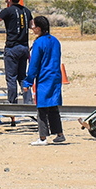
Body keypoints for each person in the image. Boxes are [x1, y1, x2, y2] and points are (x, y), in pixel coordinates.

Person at [24, 14, 66, 145]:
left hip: (44, 77)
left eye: (33, 26)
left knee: (42, 107)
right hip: (55, 76)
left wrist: (28, 82)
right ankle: (59, 133)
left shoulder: (39, 43)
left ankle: (43, 137)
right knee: (53, 105)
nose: (32, 28)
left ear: (38, 28)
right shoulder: (55, 40)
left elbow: (34, 64)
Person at [0, 0, 33, 105]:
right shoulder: (26, 11)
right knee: (22, 76)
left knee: (11, 77)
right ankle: (28, 101)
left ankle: (12, 102)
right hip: (24, 47)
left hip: (12, 48)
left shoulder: (8, 11)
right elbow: (33, 26)